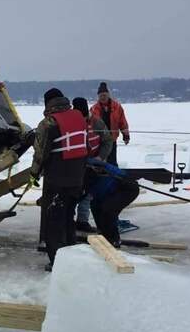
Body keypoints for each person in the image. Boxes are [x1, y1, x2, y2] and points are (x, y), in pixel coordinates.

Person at [30, 88, 88, 271]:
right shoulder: (79, 117)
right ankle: (72, 255)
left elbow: (41, 153)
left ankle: (57, 262)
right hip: (77, 178)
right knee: (68, 218)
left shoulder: (48, 123)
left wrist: (34, 174)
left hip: (56, 180)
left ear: (48, 103)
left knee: (53, 222)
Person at [72, 96, 112, 232]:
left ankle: (82, 221)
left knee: (88, 194)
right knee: (73, 193)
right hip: (76, 165)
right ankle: (67, 220)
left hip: (93, 165)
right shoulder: (70, 122)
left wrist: (101, 157)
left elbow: (107, 140)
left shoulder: (96, 122)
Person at [86, 159, 139, 247]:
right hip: (109, 189)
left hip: (126, 188)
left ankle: (114, 240)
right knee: (95, 206)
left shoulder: (92, 170)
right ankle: (103, 234)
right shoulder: (85, 167)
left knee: (108, 209)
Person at [90, 82, 129, 165]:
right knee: (99, 163)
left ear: (108, 95)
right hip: (99, 140)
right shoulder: (93, 109)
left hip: (112, 139)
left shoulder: (117, 107)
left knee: (112, 162)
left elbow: (123, 122)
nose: (103, 97)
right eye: (101, 96)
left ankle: (114, 176)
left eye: (104, 95)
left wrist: (126, 136)